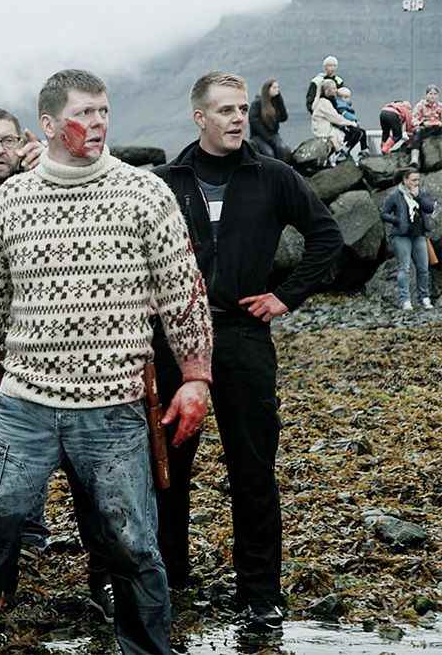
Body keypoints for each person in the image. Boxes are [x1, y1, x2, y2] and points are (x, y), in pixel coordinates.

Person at [0, 69, 214, 655]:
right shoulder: (15, 197)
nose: (100, 122)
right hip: (24, 402)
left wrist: (196, 379)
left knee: (132, 544)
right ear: (51, 125)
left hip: (114, 408)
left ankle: (146, 648)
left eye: (106, 110)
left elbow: (183, 295)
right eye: (87, 112)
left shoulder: (144, 193)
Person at [151, 71, 342, 631]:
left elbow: (327, 237)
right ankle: (170, 575)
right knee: (167, 466)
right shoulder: (165, 181)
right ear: (199, 118)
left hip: (242, 336)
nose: (239, 118)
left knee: (253, 467)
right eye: (226, 110)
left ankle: (260, 592)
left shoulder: (274, 177)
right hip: (173, 342)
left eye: (241, 108)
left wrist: (285, 296)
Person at [0, 105, 112, 618]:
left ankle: (104, 579)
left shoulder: (53, 192)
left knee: (92, 485)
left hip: (69, 370)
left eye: (7, 140)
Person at [381, 168, 437, 310]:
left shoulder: (421, 193)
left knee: (423, 268)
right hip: (401, 236)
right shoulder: (395, 195)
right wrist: (397, 220)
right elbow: (384, 213)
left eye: (417, 180)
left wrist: (417, 197)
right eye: (413, 180)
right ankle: (405, 300)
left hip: (419, 235)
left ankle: (424, 298)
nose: (416, 183)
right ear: (405, 180)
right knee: (404, 268)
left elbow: (429, 208)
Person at [311, 79, 365, 161]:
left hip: (328, 127)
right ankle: (342, 152)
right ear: (327, 90)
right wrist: (351, 123)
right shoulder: (324, 103)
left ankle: (344, 151)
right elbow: (335, 118)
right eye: (333, 88)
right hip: (325, 131)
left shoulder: (327, 101)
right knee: (356, 132)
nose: (336, 90)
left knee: (358, 131)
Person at [249, 79, 290, 162]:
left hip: (273, 134)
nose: (277, 90)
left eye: (278, 88)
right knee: (269, 153)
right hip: (258, 136)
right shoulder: (257, 103)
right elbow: (254, 121)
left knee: (282, 149)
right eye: (274, 88)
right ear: (268, 89)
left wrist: (279, 100)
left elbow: (283, 118)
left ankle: (283, 170)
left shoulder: (275, 102)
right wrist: (268, 138)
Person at [409, 84, 442, 168]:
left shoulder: (440, 106)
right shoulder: (420, 105)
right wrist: (422, 123)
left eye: (435, 94)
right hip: (425, 129)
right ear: (426, 95)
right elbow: (413, 120)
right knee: (417, 132)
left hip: (437, 128)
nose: (433, 96)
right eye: (430, 94)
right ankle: (414, 159)